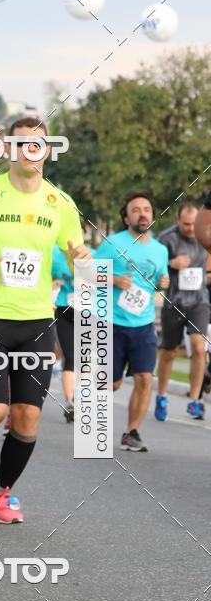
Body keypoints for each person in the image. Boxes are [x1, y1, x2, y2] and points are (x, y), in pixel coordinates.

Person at [0, 117, 89, 523]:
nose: (30, 150)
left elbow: (76, 254)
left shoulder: (60, 203)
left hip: (37, 319)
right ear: (8, 149)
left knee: (27, 416)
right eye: (21, 143)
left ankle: (0, 496)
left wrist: (81, 258)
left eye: (38, 143)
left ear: (48, 150)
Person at [94, 193, 169, 452]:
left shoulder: (160, 250)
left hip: (144, 324)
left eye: (146, 209)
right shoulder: (113, 243)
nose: (142, 213)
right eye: (136, 210)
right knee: (112, 383)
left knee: (145, 378)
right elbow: (86, 272)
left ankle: (131, 432)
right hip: (112, 323)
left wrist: (163, 283)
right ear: (127, 218)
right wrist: (114, 280)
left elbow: (158, 280)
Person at [155, 202, 210, 421]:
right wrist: (171, 263)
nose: (191, 228)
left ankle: (195, 400)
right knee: (169, 352)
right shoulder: (166, 239)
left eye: (194, 223)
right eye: (186, 224)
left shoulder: (205, 235)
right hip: (174, 303)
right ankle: (161, 396)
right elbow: (154, 268)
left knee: (198, 347)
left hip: (199, 302)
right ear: (178, 220)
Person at [51, 243, 76, 422]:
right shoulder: (54, 256)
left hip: (89, 313)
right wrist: (53, 285)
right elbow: (44, 281)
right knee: (71, 356)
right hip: (64, 310)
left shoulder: (93, 255)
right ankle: (70, 403)